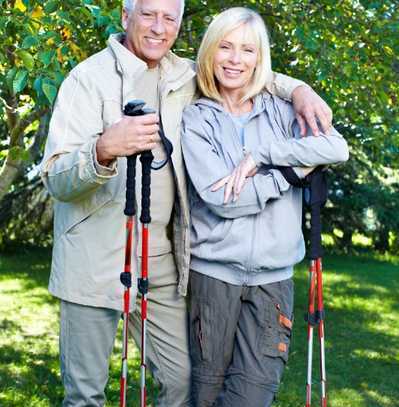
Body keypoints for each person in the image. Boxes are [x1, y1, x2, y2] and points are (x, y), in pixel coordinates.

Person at [40, 0, 335, 406]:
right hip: (92, 262)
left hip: (162, 261)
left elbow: (240, 69)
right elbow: (56, 178)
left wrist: (299, 90)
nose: (159, 28)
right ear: (126, 17)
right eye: (148, 15)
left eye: (170, 18)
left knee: (181, 385)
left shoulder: (185, 75)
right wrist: (103, 149)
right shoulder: (87, 79)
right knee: (86, 395)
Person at [181, 7, 349, 407]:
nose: (235, 60)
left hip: (272, 281)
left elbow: (335, 147)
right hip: (213, 278)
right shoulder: (196, 118)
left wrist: (263, 155)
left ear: (261, 58)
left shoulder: (283, 111)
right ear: (210, 52)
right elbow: (224, 199)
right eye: (225, 47)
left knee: (253, 396)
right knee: (203, 394)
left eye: (247, 50)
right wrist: (289, 174)